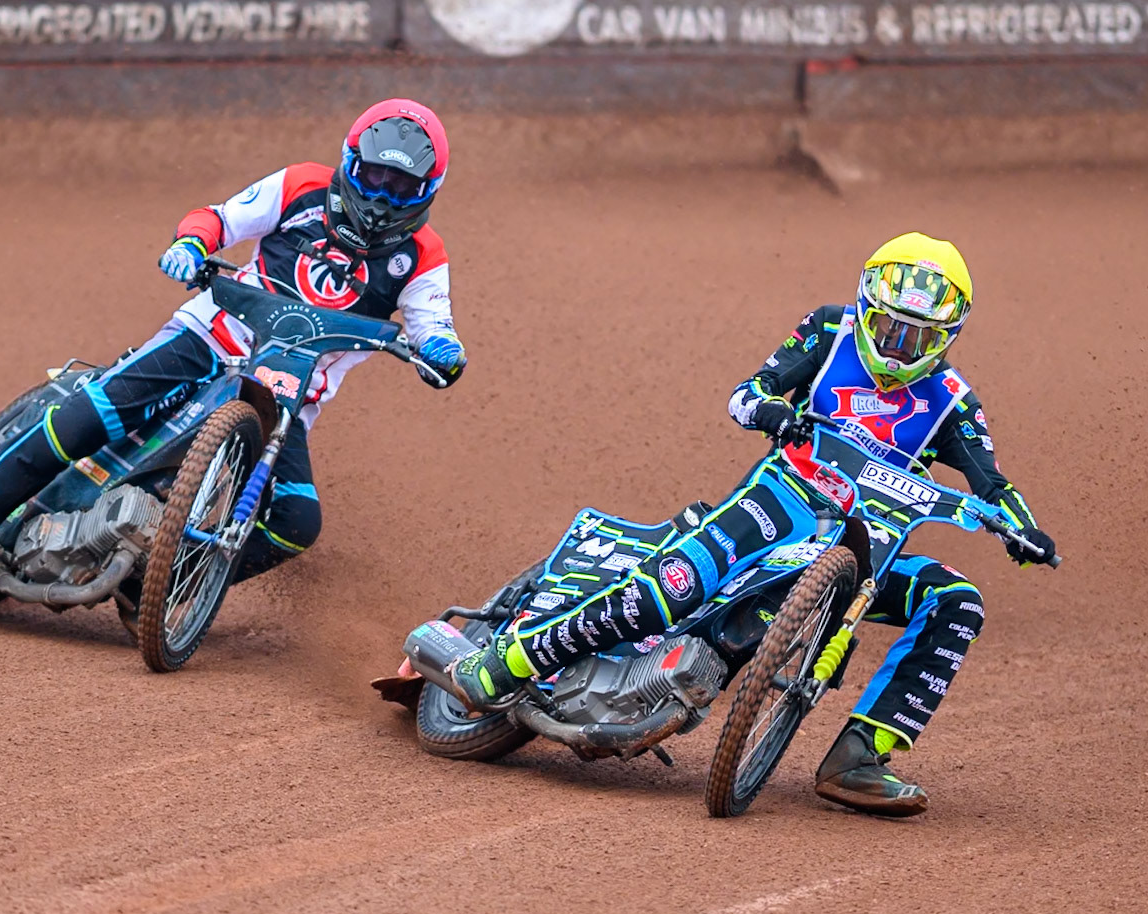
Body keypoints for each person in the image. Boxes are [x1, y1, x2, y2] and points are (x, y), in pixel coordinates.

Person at [449, 232, 1055, 817]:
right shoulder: (827, 328)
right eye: (888, 326)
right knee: (674, 587)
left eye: (915, 335)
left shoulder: (952, 402)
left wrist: (1023, 531)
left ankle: (861, 757)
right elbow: (747, 392)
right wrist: (770, 409)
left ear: (945, 338)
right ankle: (512, 661)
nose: (896, 345)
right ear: (866, 310)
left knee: (958, 599)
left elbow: (992, 484)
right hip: (778, 502)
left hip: (866, 550)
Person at [0, 98, 467, 600]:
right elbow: (220, 219)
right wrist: (191, 242)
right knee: (88, 417)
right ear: (351, 163)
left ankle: (165, 585)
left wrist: (442, 350)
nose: (380, 194)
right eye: (373, 175)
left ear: (427, 190)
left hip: (287, 392)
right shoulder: (301, 186)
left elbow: (433, 323)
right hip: (209, 336)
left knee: (297, 522)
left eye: (399, 185)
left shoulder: (423, 255)